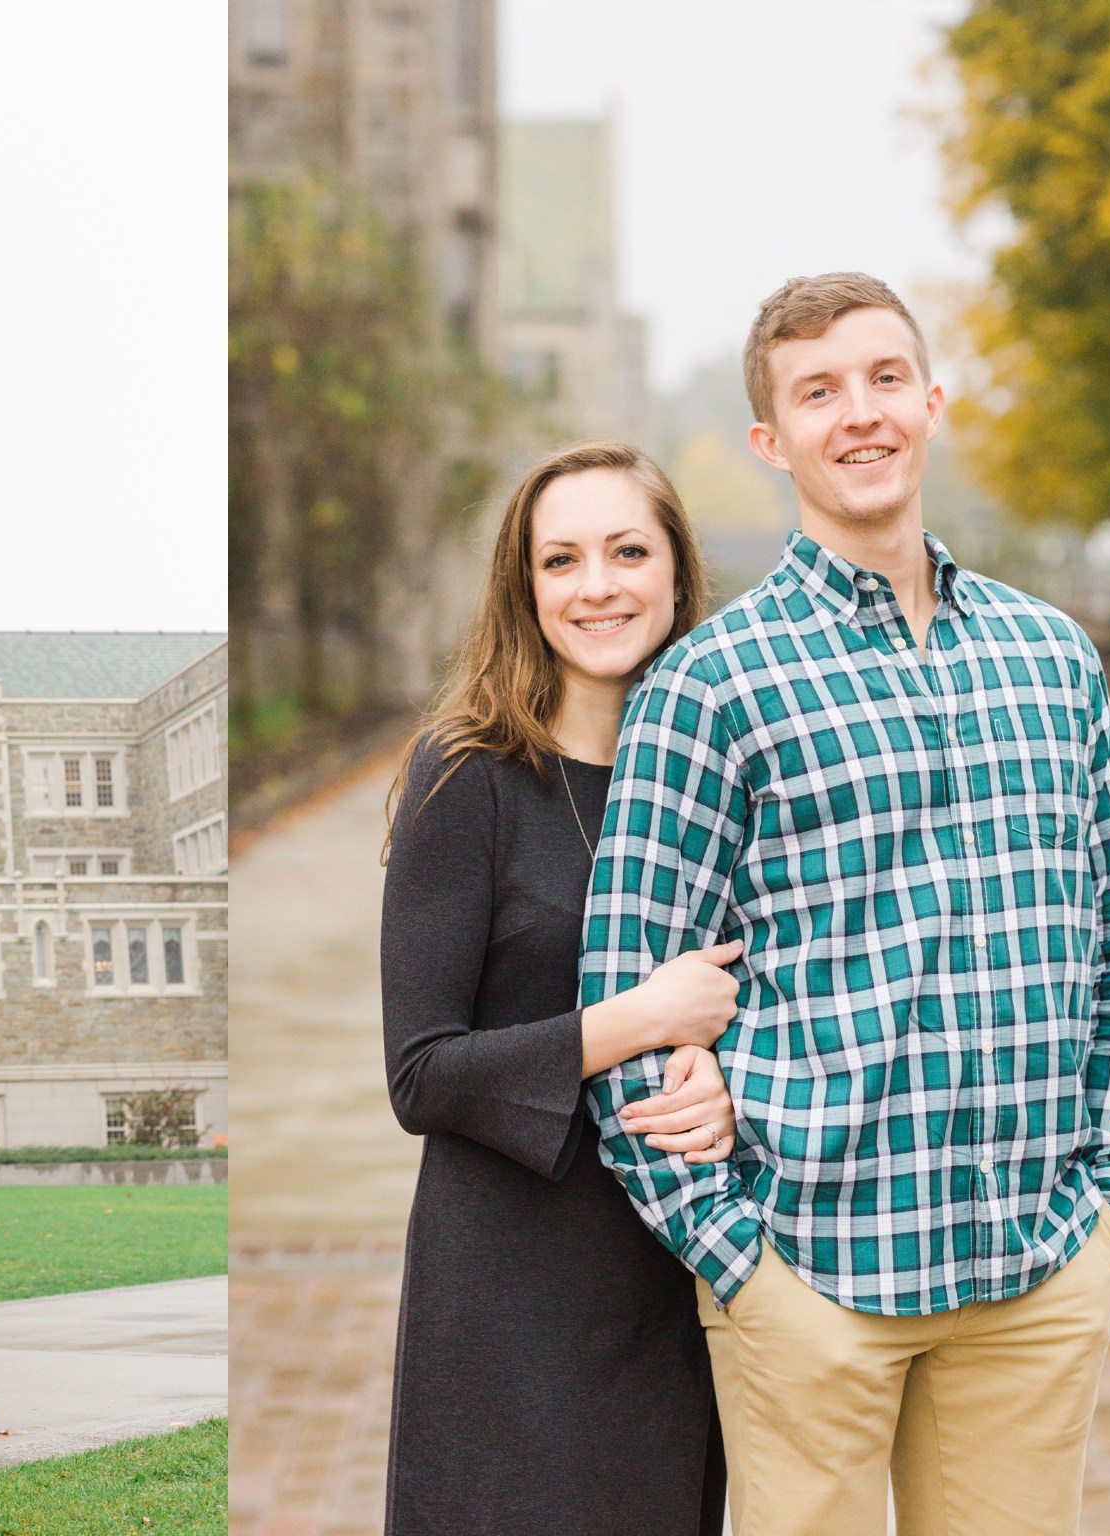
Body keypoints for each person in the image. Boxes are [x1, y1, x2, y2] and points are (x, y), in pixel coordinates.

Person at [581, 273, 1110, 1536]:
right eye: (815, 392)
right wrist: (736, 1259)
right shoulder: (709, 687)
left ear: (930, 401)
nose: (856, 414)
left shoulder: (1050, 657)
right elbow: (621, 1000)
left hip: (1035, 1267)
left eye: (881, 378)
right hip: (810, 1283)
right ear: (769, 441)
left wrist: (1109, 1202)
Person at [381, 440, 748, 1536]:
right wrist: (638, 1019)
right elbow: (421, 1075)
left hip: (670, 1279)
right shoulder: (465, 776)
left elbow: (773, 999)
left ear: (675, 573)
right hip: (510, 1293)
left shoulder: (723, 774)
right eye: (561, 560)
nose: (597, 586)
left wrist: (729, 1088)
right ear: (523, 587)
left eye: (627, 551)